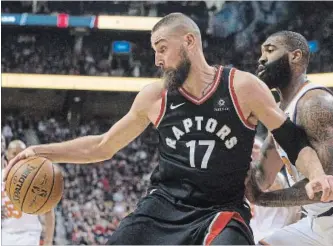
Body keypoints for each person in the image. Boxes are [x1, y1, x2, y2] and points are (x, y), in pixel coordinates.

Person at [3, 14, 332, 245]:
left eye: (161, 47)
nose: (157, 59)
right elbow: (102, 146)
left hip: (221, 210)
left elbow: (293, 138)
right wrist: (40, 149)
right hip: (163, 207)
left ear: (188, 41)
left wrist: (315, 173)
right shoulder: (155, 96)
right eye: (154, 50)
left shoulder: (241, 87)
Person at [248, 31, 333, 245]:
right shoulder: (279, 113)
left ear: (295, 56)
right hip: (318, 221)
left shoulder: (315, 103)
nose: (261, 58)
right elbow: (262, 178)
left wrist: (262, 199)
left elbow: (325, 187)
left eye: (270, 50)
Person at [2, 139, 55, 246]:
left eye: (22, 153)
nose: (18, 157)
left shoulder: (37, 179)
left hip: (29, 235)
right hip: (5, 233)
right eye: (14, 153)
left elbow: (49, 212)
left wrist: (48, 241)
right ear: (7, 155)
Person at [249, 138, 301, 244]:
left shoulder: (277, 178)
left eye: (255, 148)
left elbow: (268, 182)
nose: (252, 152)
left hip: (279, 234)